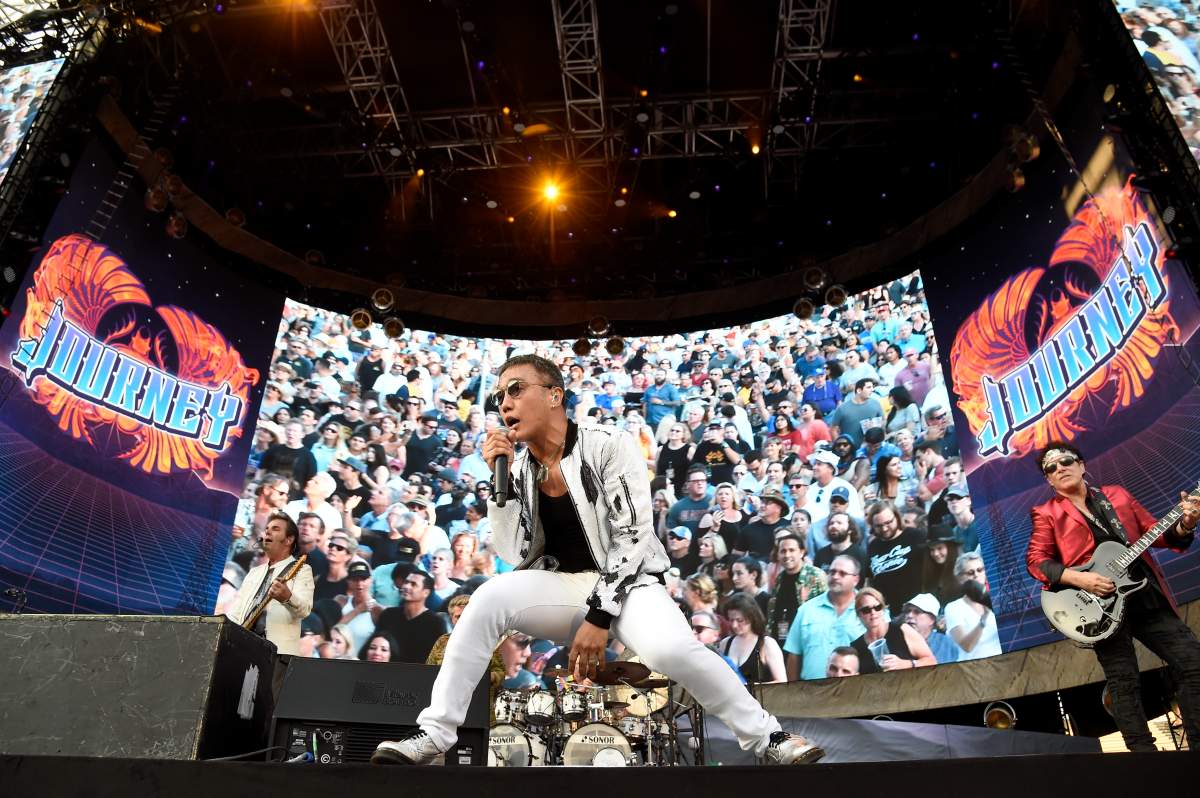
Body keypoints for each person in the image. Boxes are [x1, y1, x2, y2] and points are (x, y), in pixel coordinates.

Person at [372, 354, 823, 766]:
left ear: (554, 395)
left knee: (672, 651)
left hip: (630, 584)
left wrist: (599, 615)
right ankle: (435, 733)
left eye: (516, 389)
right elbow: (513, 552)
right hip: (564, 586)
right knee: (487, 598)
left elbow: (632, 535)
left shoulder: (609, 444)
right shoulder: (520, 468)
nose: (504, 403)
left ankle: (769, 738)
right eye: (499, 396)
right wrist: (499, 485)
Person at [1026, 440, 1200, 751]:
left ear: (1081, 465)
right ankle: (1144, 755)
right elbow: (1036, 561)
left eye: (1066, 461)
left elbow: (1158, 534)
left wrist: (1186, 524)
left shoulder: (1116, 495)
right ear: (1049, 480)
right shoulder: (1046, 512)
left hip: (1145, 595)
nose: (1060, 468)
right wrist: (1081, 579)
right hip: (1099, 606)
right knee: (1124, 681)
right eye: (1051, 468)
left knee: (1193, 663)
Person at [225, 512, 315, 656]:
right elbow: (236, 612)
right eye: (267, 529)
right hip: (243, 648)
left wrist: (287, 597)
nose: (268, 532)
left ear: (289, 540)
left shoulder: (303, 570)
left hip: (275, 654)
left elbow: (305, 610)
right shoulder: (254, 572)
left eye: (275, 529)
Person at [783, 553, 866, 680]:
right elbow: (794, 655)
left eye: (842, 573)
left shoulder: (870, 609)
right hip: (812, 689)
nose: (835, 576)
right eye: (832, 572)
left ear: (856, 579)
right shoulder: (806, 610)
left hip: (854, 689)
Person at [849, 587, 935, 674]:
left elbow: (931, 661)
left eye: (877, 607)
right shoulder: (856, 647)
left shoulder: (902, 630)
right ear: (859, 614)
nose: (873, 612)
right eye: (866, 610)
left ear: (883, 609)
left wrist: (906, 664)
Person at [374, 570, 450, 663]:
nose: (406, 586)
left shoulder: (436, 623)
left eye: (413, 584)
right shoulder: (388, 615)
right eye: (406, 582)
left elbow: (438, 658)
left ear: (426, 593)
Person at [865, 501, 927, 616]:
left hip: (915, 610)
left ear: (897, 517)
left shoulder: (916, 536)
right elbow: (870, 579)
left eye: (888, 522)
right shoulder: (873, 545)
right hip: (887, 612)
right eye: (879, 526)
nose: (884, 528)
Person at [766, 534, 827, 647]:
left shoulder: (815, 575)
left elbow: (827, 608)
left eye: (791, 550)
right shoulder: (779, 578)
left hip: (806, 639)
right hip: (781, 637)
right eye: (783, 551)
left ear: (801, 552)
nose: (787, 555)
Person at [943, 552, 1001, 661]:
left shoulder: (997, 598)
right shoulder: (953, 608)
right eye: (970, 572)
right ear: (960, 578)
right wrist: (984, 618)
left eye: (980, 570)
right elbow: (967, 646)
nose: (976, 575)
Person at [719, 594, 787, 683]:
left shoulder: (767, 644)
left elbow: (782, 682)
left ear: (752, 618)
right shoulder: (725, 643)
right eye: (731, 620)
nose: (734, 625)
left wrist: (754, 687)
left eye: (740, 620)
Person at [735, 487, 790, 560]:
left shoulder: (789, 528)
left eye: (768, 503)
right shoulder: (748, 529)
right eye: (762, 502)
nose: (762, 505)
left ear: (779, 507)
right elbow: (736, 557)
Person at [902, 593, 957, 665]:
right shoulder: (895, 640)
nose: (909, 615)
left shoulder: (945, 643)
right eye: (907, 611)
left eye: (917, 612)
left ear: (932, 619)